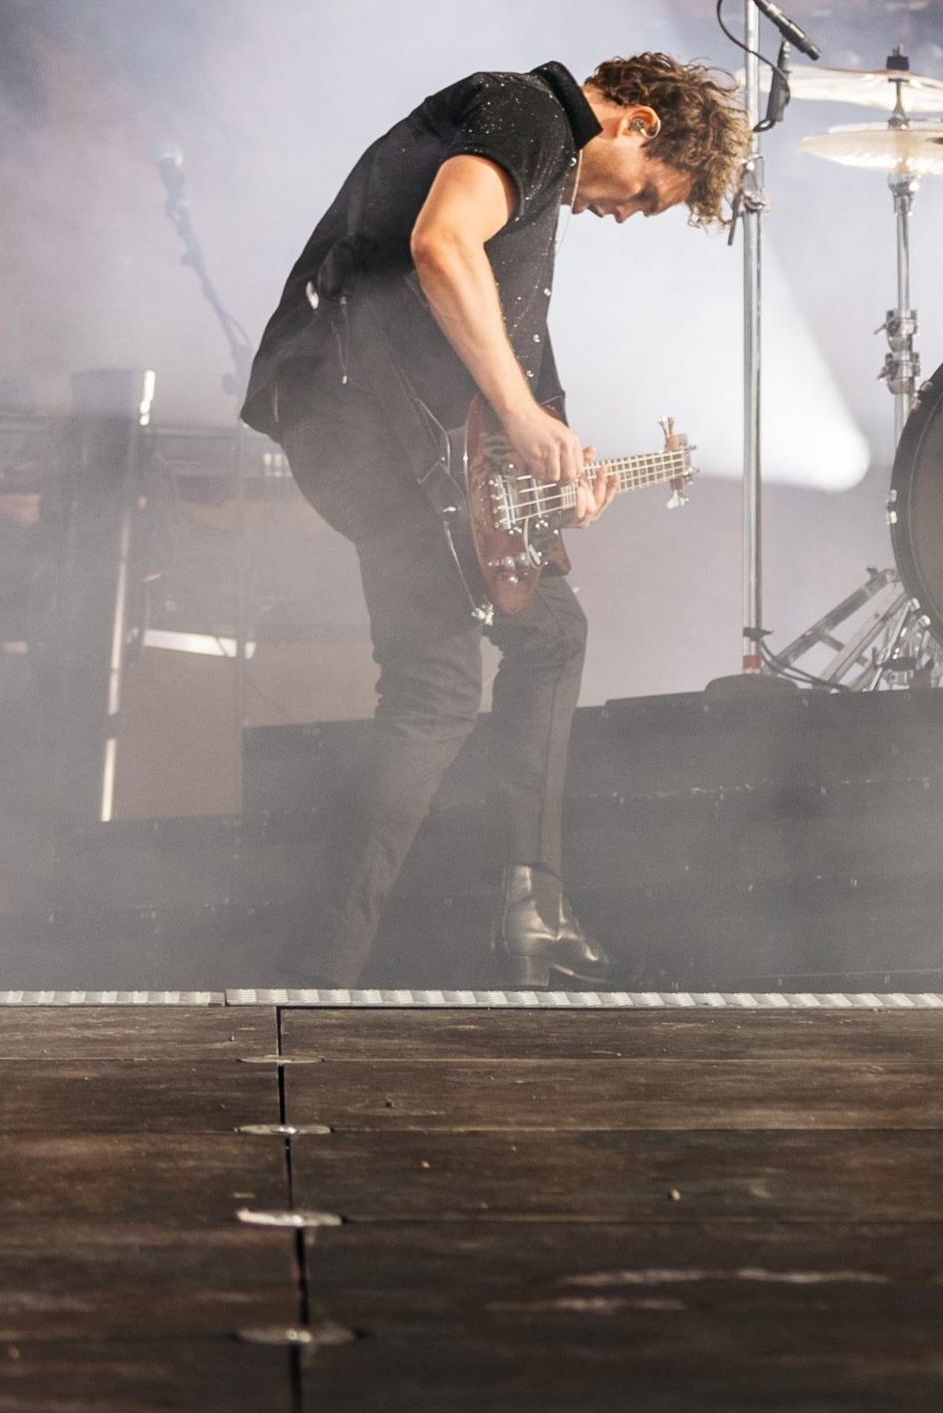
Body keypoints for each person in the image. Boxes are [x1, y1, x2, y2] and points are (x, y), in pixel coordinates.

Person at [242, 53, 745, 987]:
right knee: (435, 689)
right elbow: (440, 244)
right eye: (647, 198)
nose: (626, 216)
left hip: (396, 435)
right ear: (634, 122)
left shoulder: (543, 189)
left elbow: (502, 358)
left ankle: (531, 905)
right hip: (353, 417)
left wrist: (554, 472)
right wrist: (519, 415)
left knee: (552, 633)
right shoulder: (528, 110)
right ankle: (313, 980)